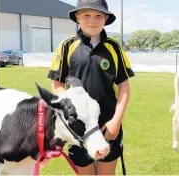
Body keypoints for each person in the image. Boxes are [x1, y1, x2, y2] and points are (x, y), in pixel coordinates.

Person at [47, 0, 135, 174]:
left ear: (105, 18)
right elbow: (57, 84)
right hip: (79, 128)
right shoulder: (66, 46)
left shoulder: (114, 47)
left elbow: (124, 86)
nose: (92, 20)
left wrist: (116, 121)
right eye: (86, 15)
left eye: (98, 16)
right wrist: (71, 110)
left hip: (107, 125)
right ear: (78, 18)